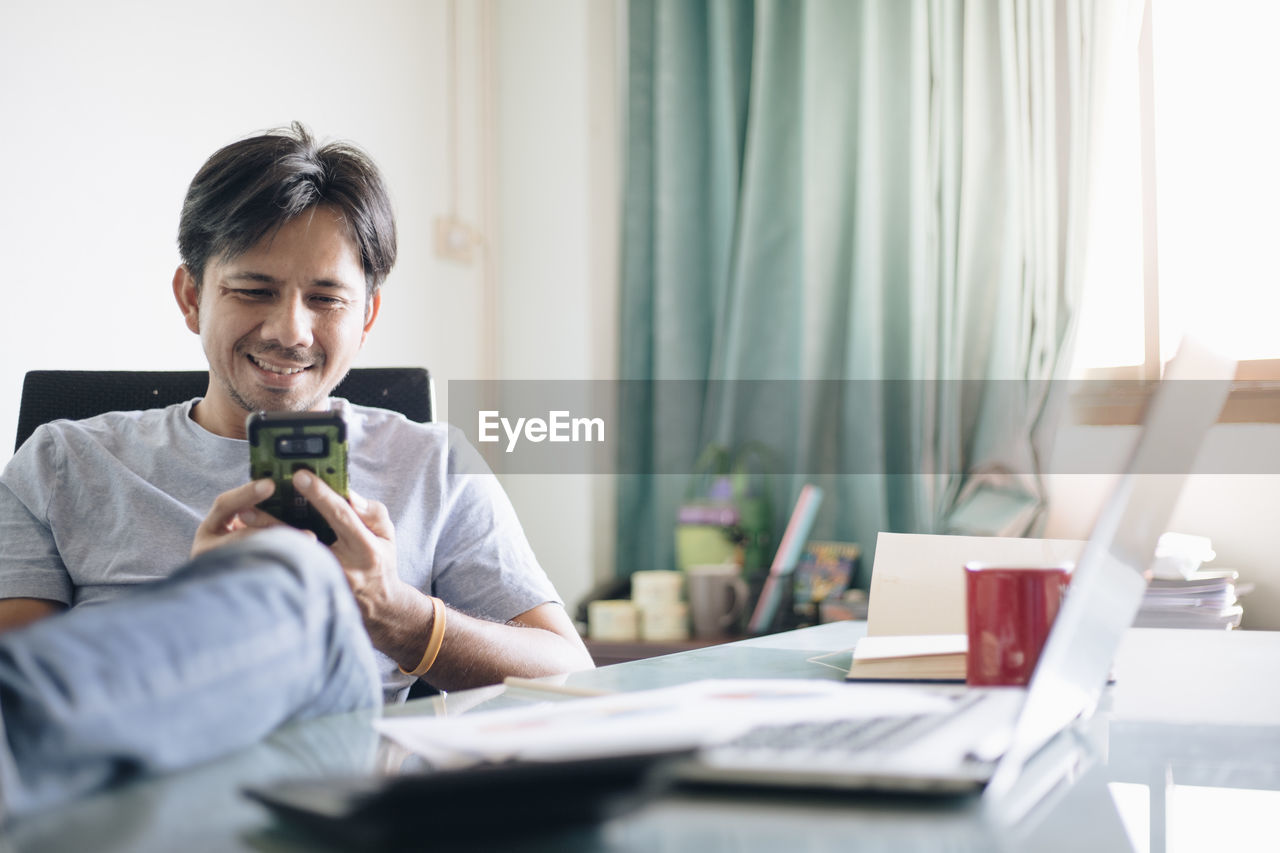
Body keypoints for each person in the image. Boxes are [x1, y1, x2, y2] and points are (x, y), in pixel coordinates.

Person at [0, 123, 593, 817]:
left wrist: (397, 615)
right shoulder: (62, 461)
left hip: (323, 804)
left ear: (367, 313)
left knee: (302, 579)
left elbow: (569, 676)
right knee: (293, 577)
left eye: (326, 298)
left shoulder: (433, 462)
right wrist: (210, 603)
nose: (290, 330)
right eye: (253, 290)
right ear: (191, 296)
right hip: (112, 806)